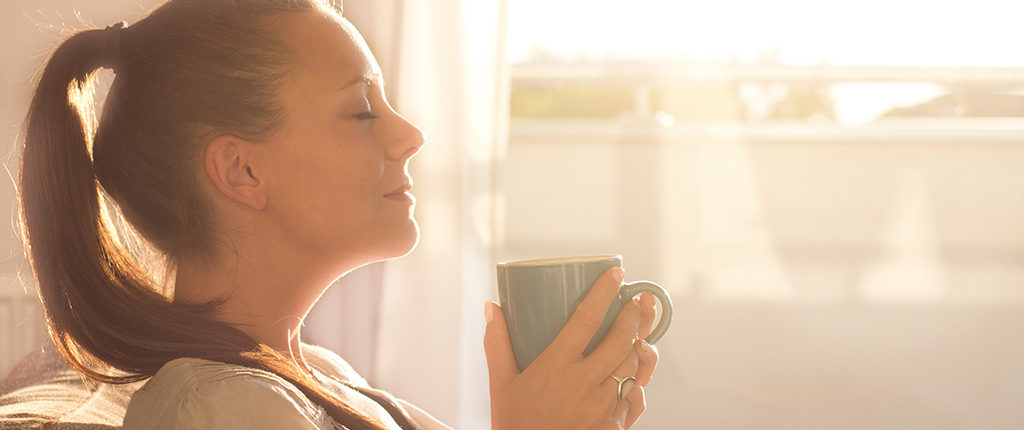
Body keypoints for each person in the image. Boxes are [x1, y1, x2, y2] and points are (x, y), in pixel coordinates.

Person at [18, 0, 660, 428]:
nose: (410, 134)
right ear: (243, 172)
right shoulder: (220, 408)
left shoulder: (320, 377)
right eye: (361, 110)